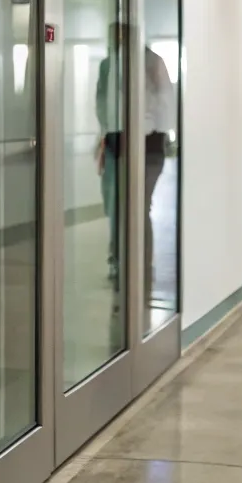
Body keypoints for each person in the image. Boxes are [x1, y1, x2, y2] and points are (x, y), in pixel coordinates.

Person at [97, 22, 176, 298]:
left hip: (148, 144)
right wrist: (106, 135)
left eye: (121, 34)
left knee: (139, 206)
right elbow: (102, 104)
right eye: (114, 35)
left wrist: (155, 132)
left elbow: (166, 104)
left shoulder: (153, 62)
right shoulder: (107, 65)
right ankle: (118, 260)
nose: (117, 40)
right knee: (116, 206)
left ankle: (140, 262)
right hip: (116, 144)